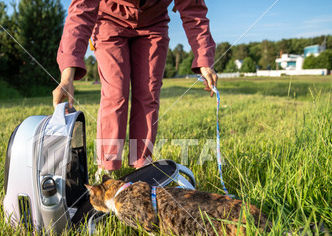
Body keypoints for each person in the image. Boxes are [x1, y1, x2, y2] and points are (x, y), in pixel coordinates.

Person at [53, 0, 218, 180]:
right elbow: (80, 12)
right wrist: (67, 74)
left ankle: (142, 168)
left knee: (149, 94)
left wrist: (205, 61)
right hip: (109, 20)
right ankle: (107, 170)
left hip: (153, 24)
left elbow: (193, 11)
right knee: (115, 94)